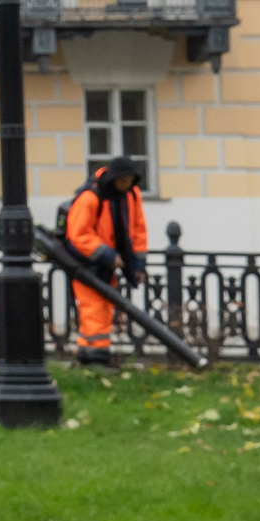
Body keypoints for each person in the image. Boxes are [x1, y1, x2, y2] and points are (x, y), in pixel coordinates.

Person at [65, 154, 148, 365]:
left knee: (100, 307)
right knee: (94, 307)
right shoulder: (90, 197)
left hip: (106, 261)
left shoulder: (131, 195)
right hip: (87, 262)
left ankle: (88, 352)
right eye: (123, 181)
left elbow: (138, 230)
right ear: (114, 178)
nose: (126, 185)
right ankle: (96, 356)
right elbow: (79, 234)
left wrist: (137, 265)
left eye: (130, 181)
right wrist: (108, 255)